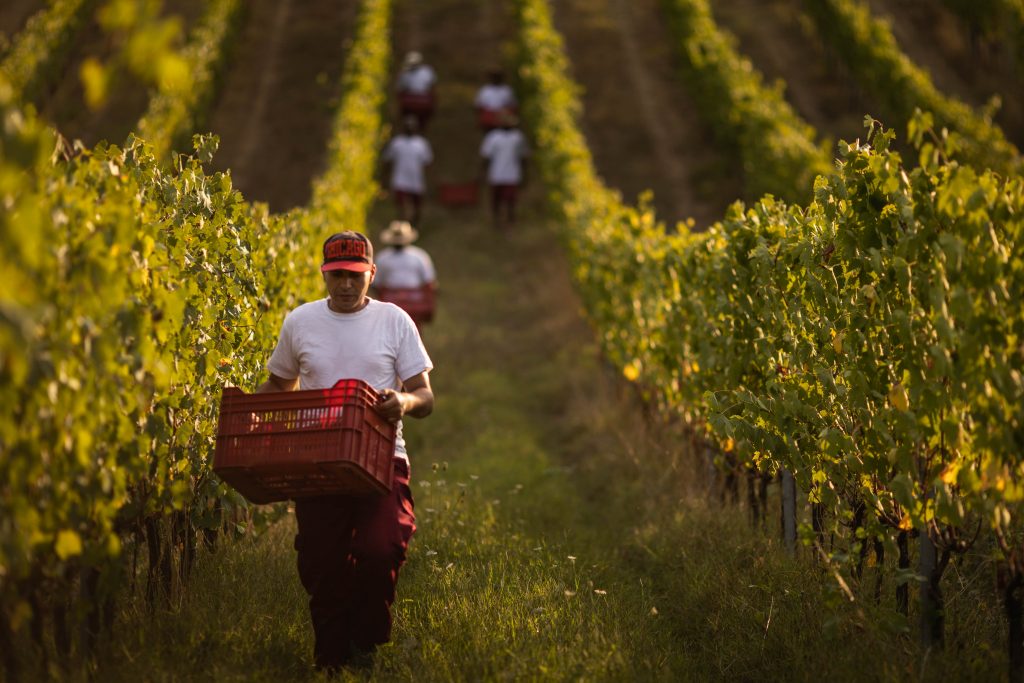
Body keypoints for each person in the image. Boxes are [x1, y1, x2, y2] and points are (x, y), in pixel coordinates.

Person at [256, 231, 434, 673]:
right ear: (324, 275)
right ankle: (330, 657)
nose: (346, 285)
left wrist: (403, 402)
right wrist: (253, 415)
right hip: (320, 458)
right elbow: (280, 384)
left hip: (381, 457)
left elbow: (425, 396)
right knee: (321, 561)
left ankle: (366, 641)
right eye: (337, 275)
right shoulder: (301, 321)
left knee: (380, 549)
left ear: (372, 274)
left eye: (356, 275)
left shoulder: (395, 321)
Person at [373, 220, 438, 327]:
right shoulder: (384, 257)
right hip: (396, 299)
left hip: (410, 301)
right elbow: (430, 282)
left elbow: (429, 283)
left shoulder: (419, 256)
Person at [479, 111, 529, 230]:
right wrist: (484, 172)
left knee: (510, 200)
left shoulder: (518, 137)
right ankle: (496, 221)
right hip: (497, 174)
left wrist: (525, 173)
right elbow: (486, 157)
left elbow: (523, 157)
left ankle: (510, 221)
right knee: (496, 200)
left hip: (512, 174)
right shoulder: (493, 137)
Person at [381, 116, 433, 227]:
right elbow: (387, 160)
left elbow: (427, 163)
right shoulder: (397, 143)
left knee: (417, 206)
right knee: (402, 206)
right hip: (400, 179)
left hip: (416, 180)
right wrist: (384, 178)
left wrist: (429, 179)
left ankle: (414, 226)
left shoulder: (421, 144)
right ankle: (403, 225)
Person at [396, 51, 437, 129]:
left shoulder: (426, 72)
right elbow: (400, 89)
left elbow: (432, 87)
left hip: (422, 100)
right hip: (411, 100)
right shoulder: (404, 73)